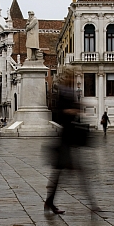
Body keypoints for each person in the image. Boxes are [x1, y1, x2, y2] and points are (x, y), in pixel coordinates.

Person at [44, 68, 98, 215]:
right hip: (65, 140)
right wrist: (73, 111)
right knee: (75, 173)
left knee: (62, 174)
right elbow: (58, 114)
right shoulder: (61, 93)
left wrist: (78, 108)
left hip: (70, 139)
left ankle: (49, 203)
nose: (74, 80)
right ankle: (92, 204)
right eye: (72, 77)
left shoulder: (70, 92)